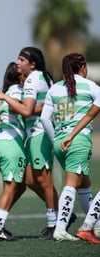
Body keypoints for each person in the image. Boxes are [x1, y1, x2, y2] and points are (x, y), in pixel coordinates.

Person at [0, 47, 67, 240]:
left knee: (40, 180)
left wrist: (6, 97)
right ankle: (60, 215)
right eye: (17, 62)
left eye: (21, 60)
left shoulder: (30, 80)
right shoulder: (35, 81)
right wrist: (41, 107)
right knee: (29, 180)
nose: (18, 63)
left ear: (32, 64)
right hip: (27, 137)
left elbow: (26, 110)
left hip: (37, 133)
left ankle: (54, 223)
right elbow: (31, 108)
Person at [52, 53, 100, 243]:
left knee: (84, 183)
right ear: (82, 67)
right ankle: (64, 227)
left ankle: (94, 225)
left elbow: (46, 117)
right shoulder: (92, 87)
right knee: (72, 183)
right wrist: (72, 136)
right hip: (77, 141)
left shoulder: (55, 89)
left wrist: (58, 137)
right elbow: (89, 116)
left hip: (60, 141)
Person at [0, 62, 27, 241]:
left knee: (19, 185)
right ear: (18, 76)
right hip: (10, 143)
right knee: (10, 187)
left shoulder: (8, 91)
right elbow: (15, 107)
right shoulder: (17, 89)